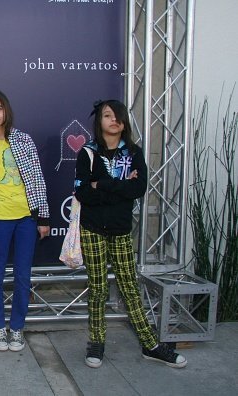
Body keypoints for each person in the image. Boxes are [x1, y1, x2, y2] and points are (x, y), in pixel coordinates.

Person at [74, 99, 187, 369]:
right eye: (108, 115)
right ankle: (97, 342)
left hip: (121, 230)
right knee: (98, 289)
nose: (114, 120)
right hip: (92, 230)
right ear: (99, 121)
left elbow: (138, 189)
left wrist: (100, 183)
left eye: (118, 116)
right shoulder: (87, 153)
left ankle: (150, 345)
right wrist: (117, 185)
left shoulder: (133, 153)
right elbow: (82, 192)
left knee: (129, 288)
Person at [0, 90, 50, 352]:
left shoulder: (23, 139)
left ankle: (17, 328)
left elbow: (38, 179)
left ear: (6, 110)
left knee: (22, 275)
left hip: (26, 219)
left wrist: (43, 216)